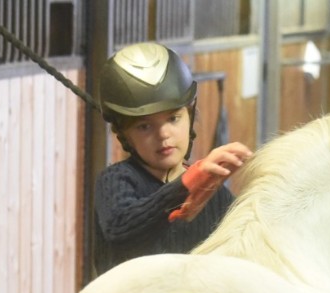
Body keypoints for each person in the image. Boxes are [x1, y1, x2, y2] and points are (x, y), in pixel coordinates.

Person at [93, 42, 253, 275]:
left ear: (189, 115)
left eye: (173, 119)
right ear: (123, 134)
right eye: (144, 126)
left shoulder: (213, 194)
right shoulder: (115, 180)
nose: (163, 135)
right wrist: (187, 185)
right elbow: (120, 231)